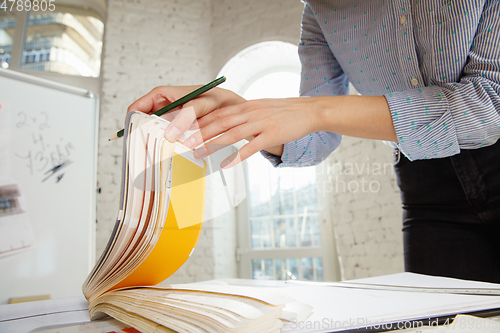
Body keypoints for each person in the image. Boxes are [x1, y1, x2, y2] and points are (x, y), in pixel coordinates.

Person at [128, 1, 500, 283]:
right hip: (428, 191)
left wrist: (315, 111)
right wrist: (243, 114)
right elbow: (316, 137)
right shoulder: (319, 13)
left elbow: (489, 104)